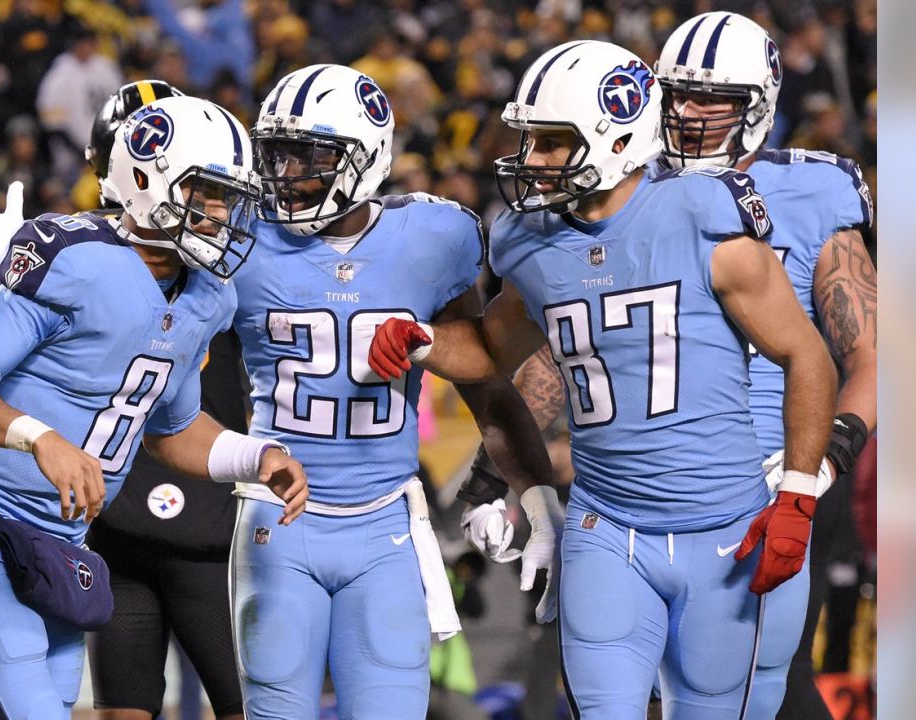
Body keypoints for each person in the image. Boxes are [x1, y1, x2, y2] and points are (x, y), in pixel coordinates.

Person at [367, 41, 837, 719]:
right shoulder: (530, 242)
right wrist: (422, 343)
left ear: (617, 137)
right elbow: (490, 353)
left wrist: (796, 493)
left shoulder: (704, 217)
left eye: (553, 143)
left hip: (725, 529)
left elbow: (807, 356)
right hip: (607, 527)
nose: (532, 161)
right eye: (531, 141)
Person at [0, 94, 308, 719]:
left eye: (232, 196)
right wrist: (39, 436)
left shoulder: (205, 299)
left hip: (62, 545)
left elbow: (171, 430)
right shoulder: (77, 259)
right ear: (147, 180)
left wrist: (256, 456)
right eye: (209, 191)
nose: (224, 212)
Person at [228, 63, 561, 719]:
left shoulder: (432, 238)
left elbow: (484, 380)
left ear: (365, 156)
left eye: (309, 155)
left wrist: (535, 494)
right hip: (276, 520)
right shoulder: (241, 240)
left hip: (384, 524)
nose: (288, 172)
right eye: (279, 154)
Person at [654, 12, 877, 718]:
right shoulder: (631, 191)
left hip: (781, 465)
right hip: (653, 469)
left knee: (766, 685)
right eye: (678, 94)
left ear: (758, 102)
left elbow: (873, 351)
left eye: (712, 98)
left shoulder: (812, 194)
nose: (689, 113)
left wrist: (827, 458)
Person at [84, 79, 249, 720]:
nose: (203, 204)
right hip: (119, 519)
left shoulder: (224, 267)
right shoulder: (78, 260)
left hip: (208, 520)